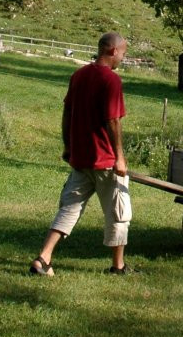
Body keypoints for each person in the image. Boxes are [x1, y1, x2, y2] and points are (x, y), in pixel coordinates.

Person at [30, 32, 132, 276]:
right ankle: (118, 267)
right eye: (123, 53)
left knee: (69, 208)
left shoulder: (79, 75)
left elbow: (67, 113)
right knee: (119, 213)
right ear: (112, 51)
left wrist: (68, 146)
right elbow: (113, 121)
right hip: (105, 161)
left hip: (81, 159)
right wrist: (119, 157)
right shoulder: (111, 80)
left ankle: (44, 258)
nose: (122, 58)